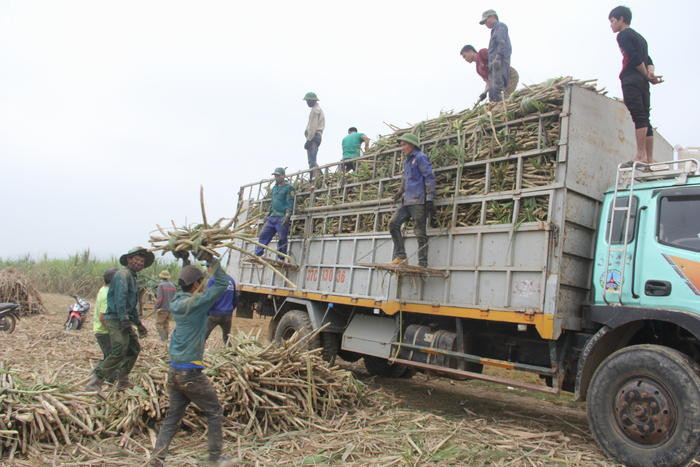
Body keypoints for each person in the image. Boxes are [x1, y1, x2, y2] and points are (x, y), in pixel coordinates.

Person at [150, 255, 230, 466]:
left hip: (174, 371)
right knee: (214, 412)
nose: (203, 285)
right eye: (201, 282)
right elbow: (222, 283)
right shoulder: (195, 303)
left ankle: (156, 460)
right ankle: (214, 458)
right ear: (195, 285)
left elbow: (185, 280)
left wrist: (187, 259)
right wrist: (212, 261)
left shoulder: (178, 300)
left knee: (172, 418)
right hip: (190, 373)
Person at [85, 247, 153, 391]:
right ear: (129, 260)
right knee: (118, 350)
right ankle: (96, 380)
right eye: (137, 260)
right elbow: (120, 298)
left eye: (142, 261)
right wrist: (124, 319)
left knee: (134, 348)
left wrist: (139, 325)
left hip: (122, 317)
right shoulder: (123, 275)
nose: (139, 263)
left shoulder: (132, 277)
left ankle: (122, 380)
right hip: (115, 318)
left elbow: (131, 305)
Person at [608, 5, 663, 167]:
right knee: (645, 117)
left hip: (631, 79)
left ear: (621, 19)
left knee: (638, 116)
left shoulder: (623, 35)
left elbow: (633, 57)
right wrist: (650, 75)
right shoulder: (641, 38)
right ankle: (649, 158)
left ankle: (640, 155)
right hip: (643, 83)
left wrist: (647, 74)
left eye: (612, 21)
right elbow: (649, 60)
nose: (611, 25)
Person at [389, 133, 436, 268]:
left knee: (420, 232)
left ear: (411, 145)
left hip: (419, 200)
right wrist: (399, 193)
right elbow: (405, 179)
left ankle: (422, 263)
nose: (402, 148)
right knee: (393, 224)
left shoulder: (420, 157)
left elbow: (429, 177)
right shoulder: (407, 161)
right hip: (407, 200)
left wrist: (430, 198)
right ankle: (401, 256)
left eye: (403, 145)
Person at [255, 167, 294, 260]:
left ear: (283, 176)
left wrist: (288, 216)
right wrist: (268, 214)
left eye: (278, 175)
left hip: (281, 217)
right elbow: (273, 202)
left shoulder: (289, 188)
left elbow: (290, 202)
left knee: (282, 238)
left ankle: (281, 256)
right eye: (275, 176)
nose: (276, 177)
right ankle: (258, 253)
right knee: (264, 234)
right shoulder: (274, 188)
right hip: (272, 217)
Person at [480, 9, 512, 102]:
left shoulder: (500, 26)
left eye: (486, 20)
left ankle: (500, 108)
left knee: (498, 90)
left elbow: (502, 43)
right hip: (495, 66)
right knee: (493, 92)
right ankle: (495, 107)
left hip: (499, 63)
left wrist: (497, 59)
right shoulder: (494, 30)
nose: (486, 24)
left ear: (493, 17)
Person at [205, 264, 236, 345]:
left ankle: (195, 352)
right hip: (227, 314)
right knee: (227, 338)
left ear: (212, 267)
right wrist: (230, 309)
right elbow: (235, 298)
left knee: (203, 335)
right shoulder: (231, 280)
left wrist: (207, 312)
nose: (207, 269)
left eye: (207, 267)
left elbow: (208, 298)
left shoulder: (213, 280)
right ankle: (231, 353)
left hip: (215, 314)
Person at [94, 268, 118, 363]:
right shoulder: (108, 295)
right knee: (110, 358)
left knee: (109, 356)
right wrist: (114, 331)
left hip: (101, 330)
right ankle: (99, 375)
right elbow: (102, 318)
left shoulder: (103, 289)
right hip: (104, 331)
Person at [303, 92, 325, 169]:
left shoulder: (315, 111)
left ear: (312, 101)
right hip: (316, 136)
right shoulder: (317, 109)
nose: (307, 103)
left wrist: (309, 140)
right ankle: (317, 176)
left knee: (312, 161)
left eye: (308, 101)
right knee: (312, 160)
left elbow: (313, 127)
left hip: (313, 136)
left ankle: (315, 177)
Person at [155, 270, 177, 342]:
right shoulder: (173, 286)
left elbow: (160, 298)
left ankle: (163, 339)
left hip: (162, 309)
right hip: (170, 309)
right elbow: (175, 298)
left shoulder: (161, 285)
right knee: (166, 324)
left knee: (159, 324)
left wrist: (156, 307)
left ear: (161, 277)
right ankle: (166, 339)